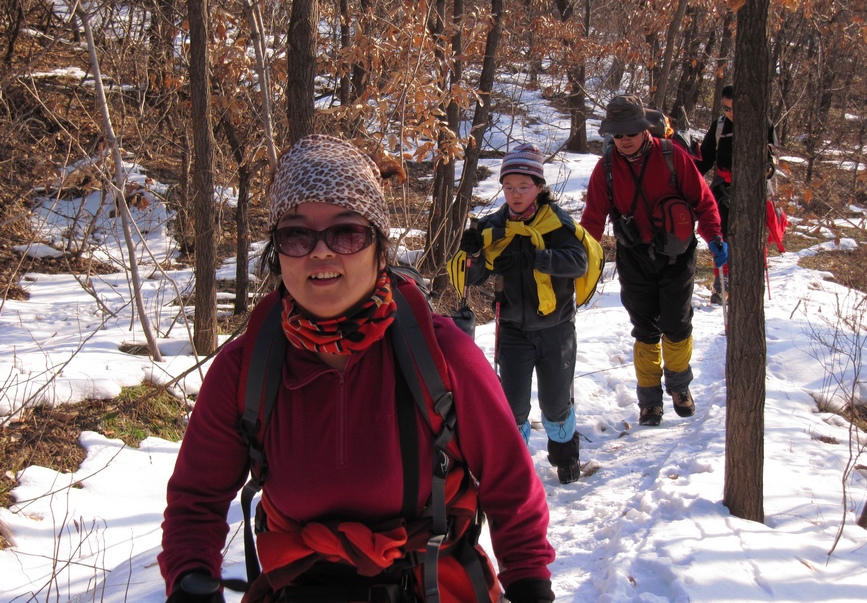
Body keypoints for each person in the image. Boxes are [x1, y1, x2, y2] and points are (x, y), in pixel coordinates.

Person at [158, 135, 556, 603]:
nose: (321, 252)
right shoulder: (246, 369)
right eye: (297, 233)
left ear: (379, 248)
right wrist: (189, 579)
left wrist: (530, 584)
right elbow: (195, 500)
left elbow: (511, 485)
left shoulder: (442, 357)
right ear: (277, 251)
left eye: (346, 232)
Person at [449, 143, 600, 485]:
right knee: (512, 408)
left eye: (524, 187)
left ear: (540, 188)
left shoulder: (558, 224)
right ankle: (515, 473)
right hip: (513, 329)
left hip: (556, 329)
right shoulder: (493, 227)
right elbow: (471, 277)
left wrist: (537, 258)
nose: (515, 195)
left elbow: (578, 263)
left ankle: (566, 458)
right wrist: (471, 253)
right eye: (509, 187)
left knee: (555, 404)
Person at [581, 95, 725, 427]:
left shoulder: (672, 156)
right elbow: (591, 221)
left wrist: (714, 235)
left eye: (630, 132)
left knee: (676, 325)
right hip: (634, 257)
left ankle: (679, 388)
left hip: (678, 254)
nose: (624, 140)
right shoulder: (605, 169)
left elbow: (703, 201)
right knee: (645, 330)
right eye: (617, 134)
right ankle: (649, 401)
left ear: (644, 128)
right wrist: (582, 255)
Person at [697, 84, 779, 303]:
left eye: (734, 108)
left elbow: (772, 160)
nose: (730, 113)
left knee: (753, 235)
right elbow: (704, 159)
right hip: (723, 187)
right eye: (726, 108)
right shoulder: (719, 126)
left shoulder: (763, 125)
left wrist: (766, 170)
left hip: (753, 189)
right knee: (719, 233)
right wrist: (688, 179)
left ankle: (752, 279)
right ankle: (722, 283)